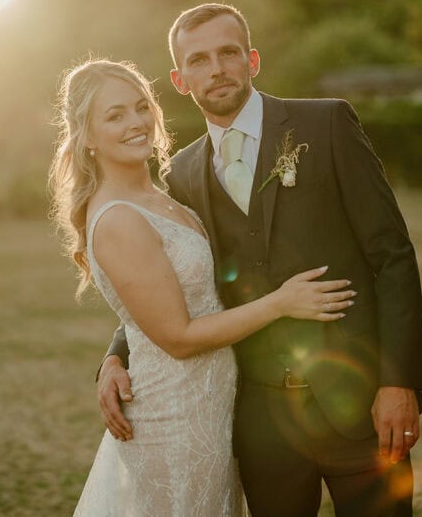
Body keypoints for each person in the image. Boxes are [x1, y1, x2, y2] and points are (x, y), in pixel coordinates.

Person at [97, 4, 422, 516]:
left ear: (251, 59)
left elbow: (392, 254)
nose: (217, 69)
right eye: (199, 60)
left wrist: (398, 381)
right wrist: (114, 356)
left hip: (359, 402)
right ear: (180, 79)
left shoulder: (325, 124)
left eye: (228, 53)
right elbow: (177, 280)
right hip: (259, 419)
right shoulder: (181, 174)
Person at [50, 59, 358, 516]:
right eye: (114, 116)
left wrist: (115, 356)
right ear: (87, 137)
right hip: (174, 419)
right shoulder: (117, 219)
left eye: (140, 107)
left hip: (213, 410)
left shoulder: (165, 193)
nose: (135, 123)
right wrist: (281, 303)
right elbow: (177, 336)